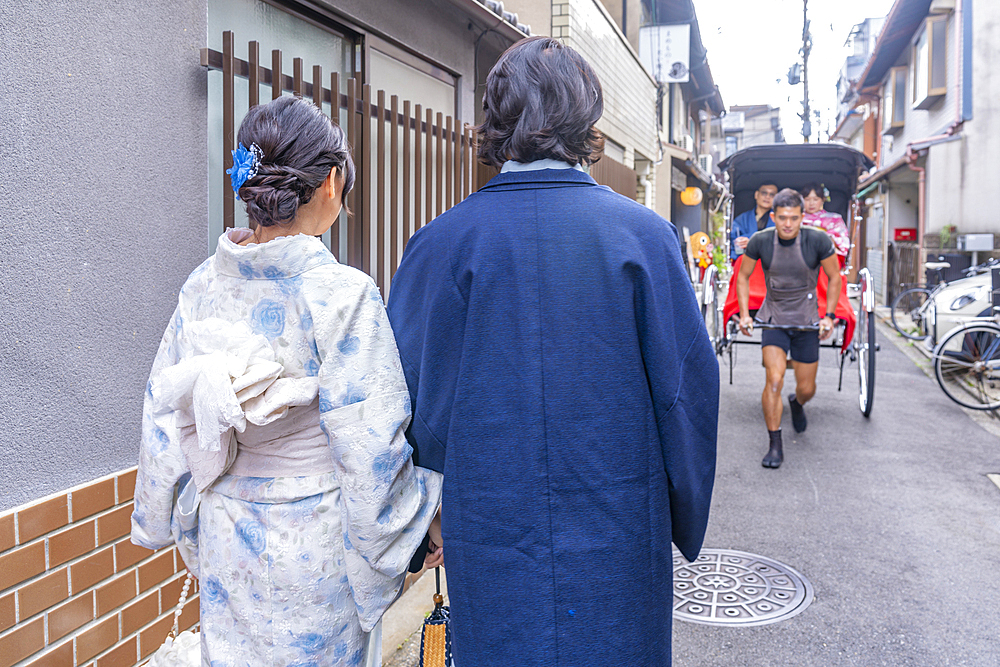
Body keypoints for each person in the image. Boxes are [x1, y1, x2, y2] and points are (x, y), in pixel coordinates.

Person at [386, 36, 718, 667]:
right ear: (586, 118)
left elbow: (406, 396)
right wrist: (679, 505)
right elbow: (686, 394)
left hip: (490, 523)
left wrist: (427, 514)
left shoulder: (440, 244)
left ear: (496, 121)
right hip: (618, 520)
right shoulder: (643, 237)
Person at [130, 95, 442, 666]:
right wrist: (414, 518)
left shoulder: (202, 285)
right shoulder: (342, 293)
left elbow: (162, 415)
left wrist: (162, 511)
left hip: (228, 527)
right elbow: (370, 443)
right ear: (330, 182)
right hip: (314, 538)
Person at [736, 188, 841, 469]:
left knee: (807, 388)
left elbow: (834, 277)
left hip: (807, 319)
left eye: (794, 218)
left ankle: (797, 403)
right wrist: (746, 314)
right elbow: (743, 277)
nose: (787, 224)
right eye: (782, 218)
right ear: (773, 216)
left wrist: (829, 316)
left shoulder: (817, 240)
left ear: (802, 217)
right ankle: (774, 444)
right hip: (774, 318)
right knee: (774, 379)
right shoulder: (760, 241)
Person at [801, 182, 850, 267]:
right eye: (807, 199)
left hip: (827, 257)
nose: (811, 203)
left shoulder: (835, 218)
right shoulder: (796, 218)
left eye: (815, 199)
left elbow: (842, 243)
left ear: (823, 199)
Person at [730, 183, 778, 261]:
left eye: (772, 195)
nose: (767, 197)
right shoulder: (742, 219)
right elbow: (734, 239)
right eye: (764, 193)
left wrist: (752, 243)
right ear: (756, 195)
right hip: (745, 261)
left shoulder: (779, 219)